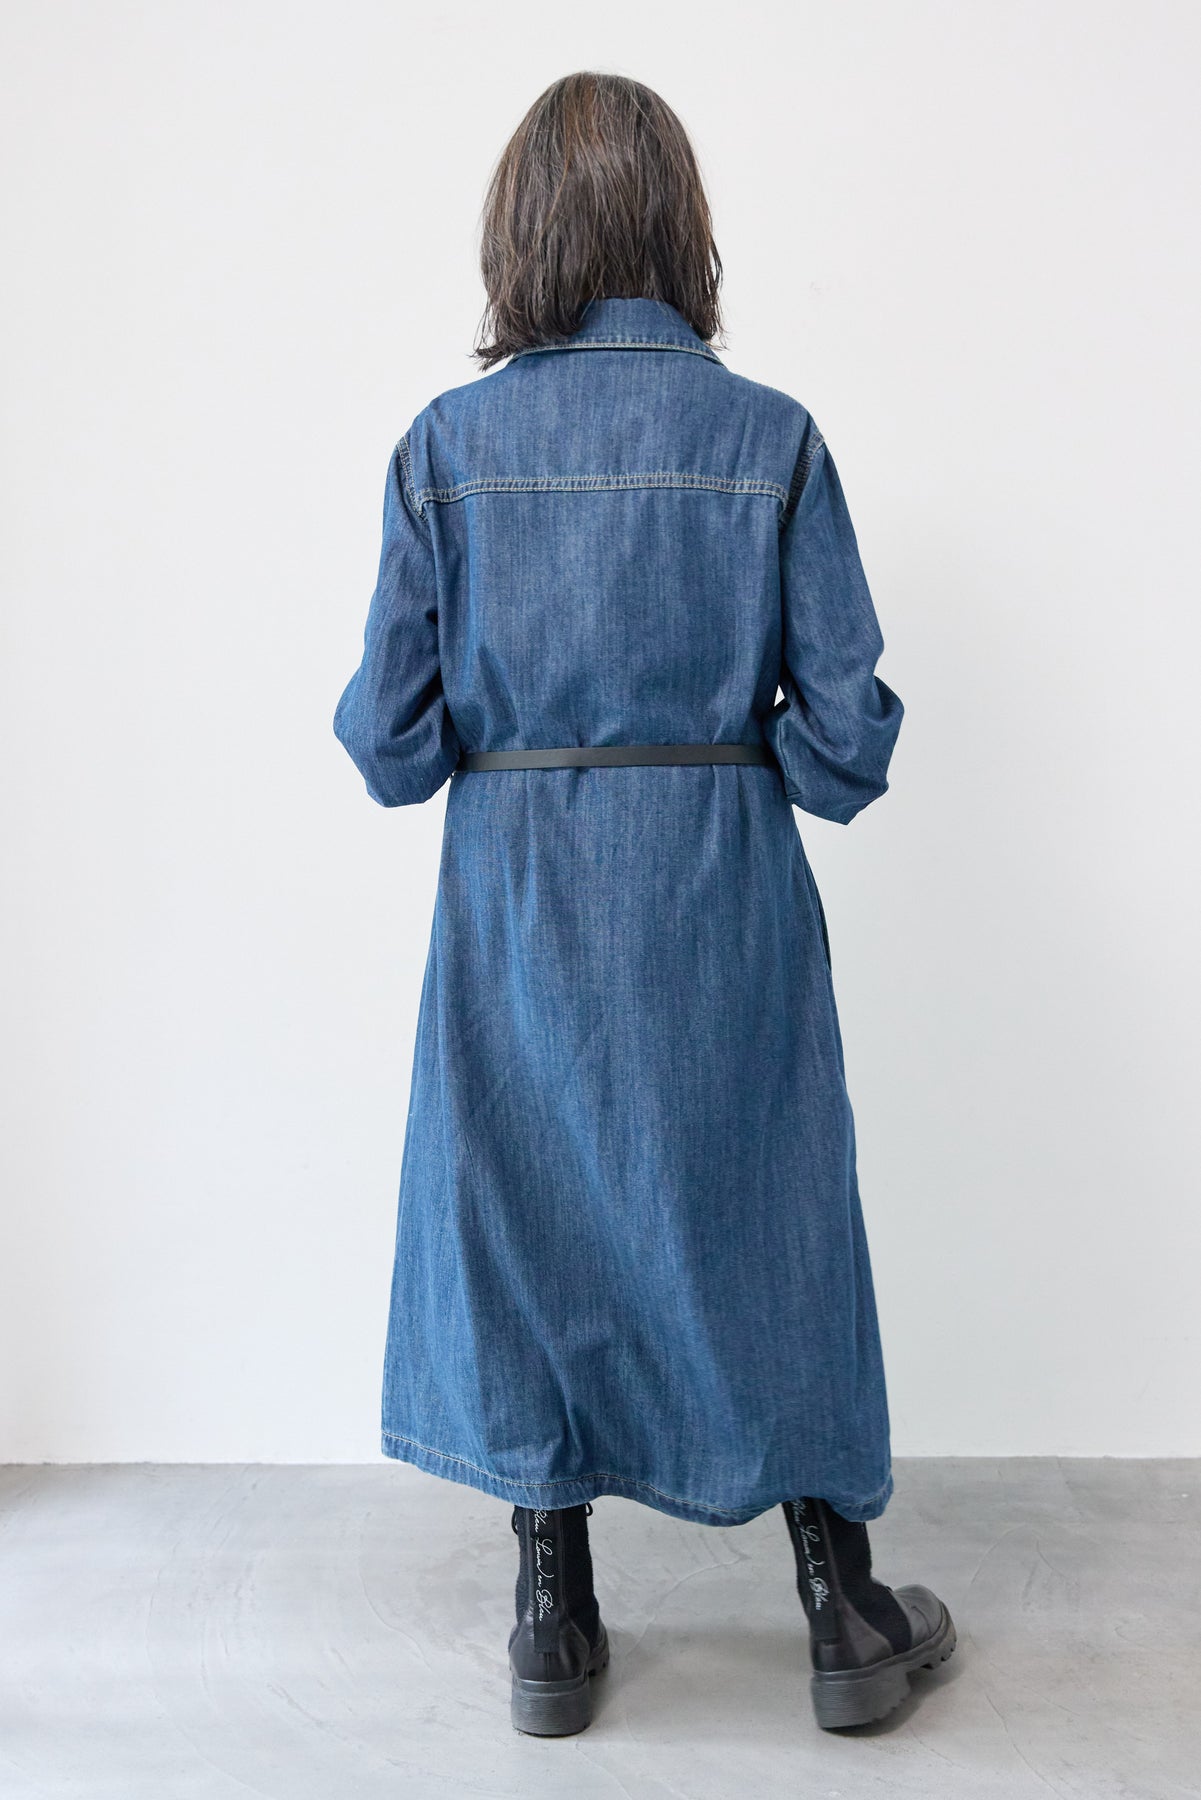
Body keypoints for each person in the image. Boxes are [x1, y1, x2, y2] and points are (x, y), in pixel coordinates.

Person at [333, 70, 955, 1738]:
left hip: (519, 904)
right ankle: (839, 1606)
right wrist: (731, 749)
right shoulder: (769, 439)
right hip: (718, 893)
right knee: (769, 1209)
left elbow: (389, 748)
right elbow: (844, 746)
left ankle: (552, 1617)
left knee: (525, 1214)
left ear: (519, 235)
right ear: (682, 230)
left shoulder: (445, 451)